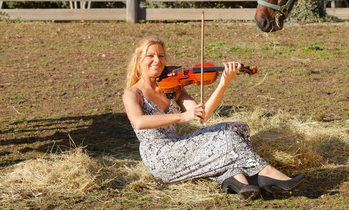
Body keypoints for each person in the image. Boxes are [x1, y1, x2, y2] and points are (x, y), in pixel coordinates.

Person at [122, 36, 305, 199]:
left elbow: (204, 115)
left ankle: (237, 179)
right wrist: (182, 117)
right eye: (150, 56)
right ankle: (265, 172)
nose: (157, 60)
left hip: (178, 148)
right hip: (160, 159)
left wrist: (224, 82)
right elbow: (139, 122)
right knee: (225, 135)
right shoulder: (132, 94)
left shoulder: (173, 86)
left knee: (238, 127)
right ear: (139, 60)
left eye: (161, 56)